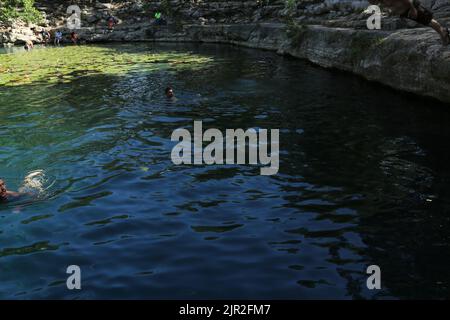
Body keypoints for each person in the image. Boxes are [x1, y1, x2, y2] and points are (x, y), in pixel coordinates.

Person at [369, 0, 449, 45]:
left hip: (411, 8)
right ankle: (443, 33)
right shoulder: (382, 2)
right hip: (406, 13)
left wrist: (413, 9)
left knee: (428, 21)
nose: (370, 3)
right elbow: (393, 6)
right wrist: (391, 12)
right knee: (426, 22)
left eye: (371, 1)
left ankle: (443, 33)